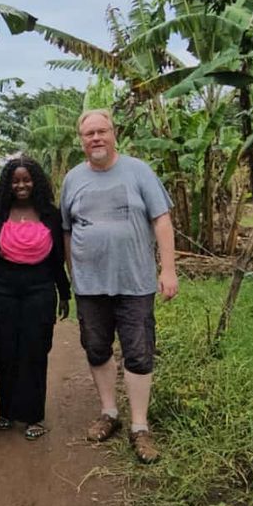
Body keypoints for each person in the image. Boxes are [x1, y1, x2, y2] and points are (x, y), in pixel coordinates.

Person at [60, 110, 178, 463]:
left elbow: (162, 219)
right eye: (88, 134)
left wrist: (168, 269)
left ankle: (140, 426)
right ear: (80, 140)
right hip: (90, 285)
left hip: (135, 281)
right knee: (96, 348)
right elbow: (67, 229)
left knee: (139, 352)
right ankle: (109, 413)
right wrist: (72, 271)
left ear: (114, 134)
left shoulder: (138, 171)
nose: (95, 138)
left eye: (101, 131)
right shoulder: (73, 179)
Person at [0, 157, 70, 439]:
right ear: (8, 184)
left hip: (40, 288)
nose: (21, 185)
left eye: (27, 179)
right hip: (3, 288)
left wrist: (64, 293)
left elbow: (58, 259)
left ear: (36, 181)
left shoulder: (50, 215)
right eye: (16, 180)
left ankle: (33, 416)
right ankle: (5, 411)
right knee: (4, 350)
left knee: (35, 351)